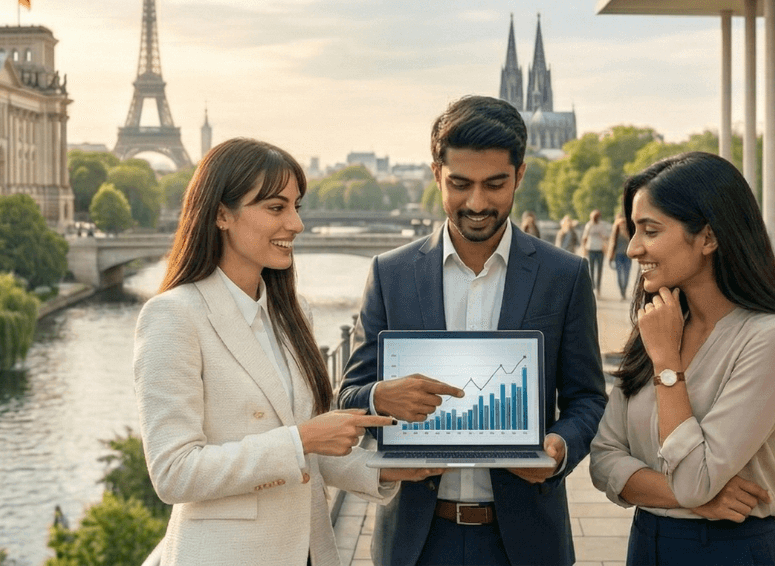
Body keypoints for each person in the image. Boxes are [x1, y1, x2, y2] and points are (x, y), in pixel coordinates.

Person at [134, 138, 438, 564]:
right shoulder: (173, 315)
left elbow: (311, 452)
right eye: (276, 208)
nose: (296, 224)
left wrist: (385, 469)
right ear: (221, 213)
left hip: (310, 549)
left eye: (297, 207)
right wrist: (301, 439)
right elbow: (174, 473)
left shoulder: (293, 313)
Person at [336, 96, 607, 566]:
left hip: (525, 543)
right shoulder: (389, 274)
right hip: (416, 542)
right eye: (460, 184)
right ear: (436, 173)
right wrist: (382, 396)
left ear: (520, 175)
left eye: (495, 184)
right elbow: (349, 395)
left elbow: (588, 398)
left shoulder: (565, 276)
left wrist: (559, 448)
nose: (477, 203)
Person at [590, 151, 775, 565]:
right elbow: (604, 458)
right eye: (634, 230)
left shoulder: (771, 340)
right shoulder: (660, 323)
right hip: (647, 543)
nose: (632, 249)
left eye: (650, 230)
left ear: (709, 238)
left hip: (729, 550)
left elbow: (696, 477)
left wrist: (666, 365)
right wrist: (695, 499)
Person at [584, 210, 614, 294]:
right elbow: (585, 237)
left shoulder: (601, 225)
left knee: (599, 270)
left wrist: (602, 235)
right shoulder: (588, 225)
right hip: (591, 249)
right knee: (592, 269)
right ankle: (593, 287)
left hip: (600, 250)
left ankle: (598, 288)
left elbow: (606, 237)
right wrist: (584, 248)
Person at [612, 216, 634, 299]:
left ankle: (624, 290)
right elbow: (612, 243)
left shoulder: (628, 232)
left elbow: (631, 242)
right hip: (618, 255)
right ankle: (621, 291)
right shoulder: (616, 232)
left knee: (626, 275)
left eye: (624, 224)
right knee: (619, 275)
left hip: (627, 256)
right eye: (620, 224)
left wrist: (625, 233)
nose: (622, 225)